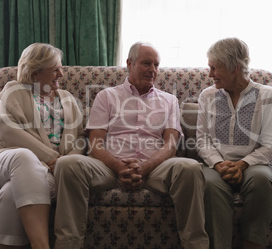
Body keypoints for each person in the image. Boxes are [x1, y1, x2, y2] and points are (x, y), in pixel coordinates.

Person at [53, 42, 209, 249]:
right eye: (146, 63)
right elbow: (95, 144)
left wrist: (145, 167)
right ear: (129, 63)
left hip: (155, 169)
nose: (152, 69)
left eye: (156, 64)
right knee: (67, 164)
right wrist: (119, 167)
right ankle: (68, 245)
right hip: (109, 167)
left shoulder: (169, 100)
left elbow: (170, 145)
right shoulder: (106, 96)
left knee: (190, 168)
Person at [0, 43, 85, 249]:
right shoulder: (13, 91)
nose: (62, 74)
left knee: (11, 193)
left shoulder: (68, 100)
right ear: (36, 72)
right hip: (5, 159)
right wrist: (51, 158)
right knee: (24, 157)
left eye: (61, 68)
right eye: (55, 69)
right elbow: (7, 130)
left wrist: (66, 163)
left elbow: (80, 138)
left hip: (50, 171)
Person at [196, 37, 272, 249]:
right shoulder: (207, 96)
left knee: (261, 179)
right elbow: (202, 140)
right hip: (217, 165)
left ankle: (251, 244)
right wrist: (219, 164)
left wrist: (242, 164)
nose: (210, 74)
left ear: (234, 67)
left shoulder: (267, 95)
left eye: (214, 68)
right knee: (209, 183)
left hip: (256, 164)